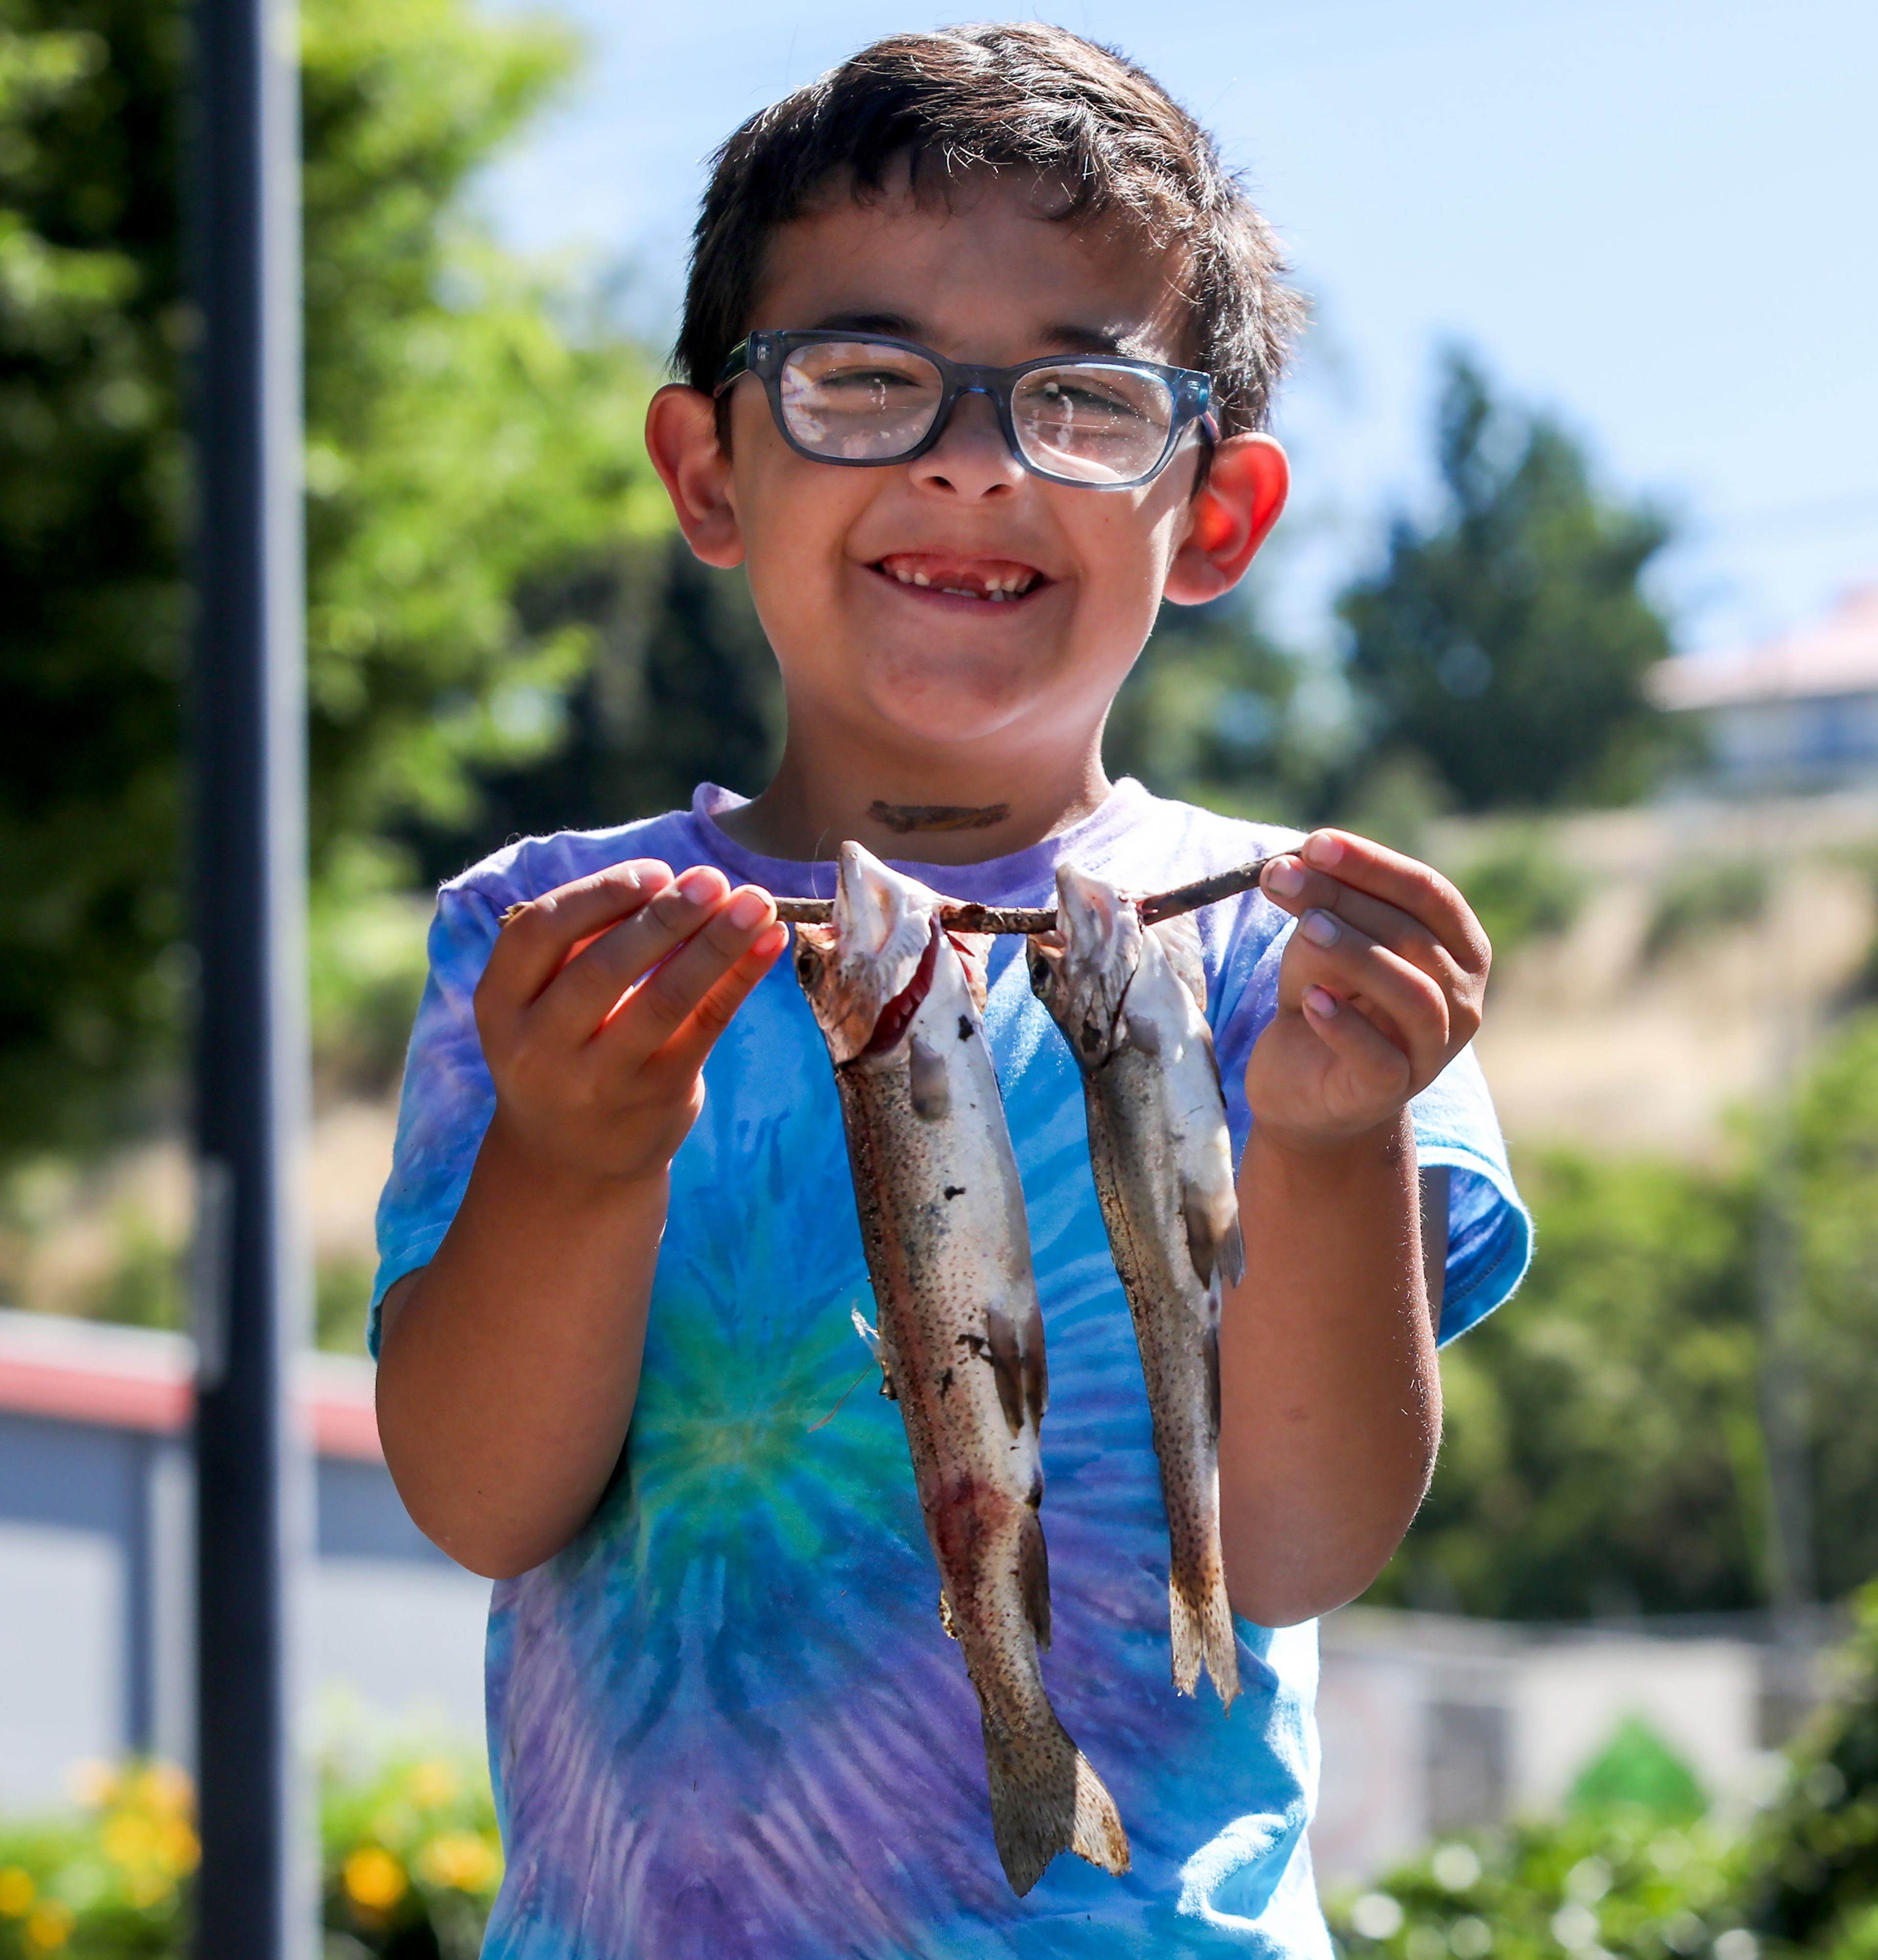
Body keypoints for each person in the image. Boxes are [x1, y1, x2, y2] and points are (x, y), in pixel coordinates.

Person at [370, 24, 1531, 1957]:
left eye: (1081, 402)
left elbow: (1301, 1547)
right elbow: (483, 1502)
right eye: (864, 380)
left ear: (1218, 513)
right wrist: (571, 1163)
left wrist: (1334, 1145)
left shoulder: (1284, 966)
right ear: (707, 469)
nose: (970, 465)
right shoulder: (554, 946)